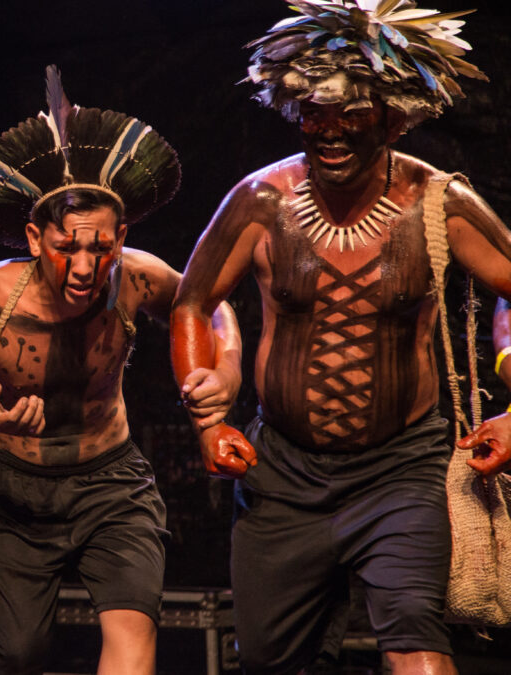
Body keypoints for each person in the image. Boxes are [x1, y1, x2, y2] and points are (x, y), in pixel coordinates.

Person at [170, 2, 510, 672]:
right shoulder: (261, 201)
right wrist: (207, 419)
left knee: (415, 635)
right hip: (283, 477)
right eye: (313, 111)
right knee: (272, 661)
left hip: (400, 472)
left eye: (350, 113)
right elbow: (191, 301)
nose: (327, 131)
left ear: (393, 115)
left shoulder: (437, 202)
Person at [0, 66, 241, 675]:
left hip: (112, 484)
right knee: (19, 657)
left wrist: (226, 376)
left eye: (101, 247)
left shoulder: (136, 277)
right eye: (69, 247)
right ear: (35, 238)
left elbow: (208, 306)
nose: (87, 265)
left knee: (134, 636)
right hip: (11, 493)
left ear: (122, 237)